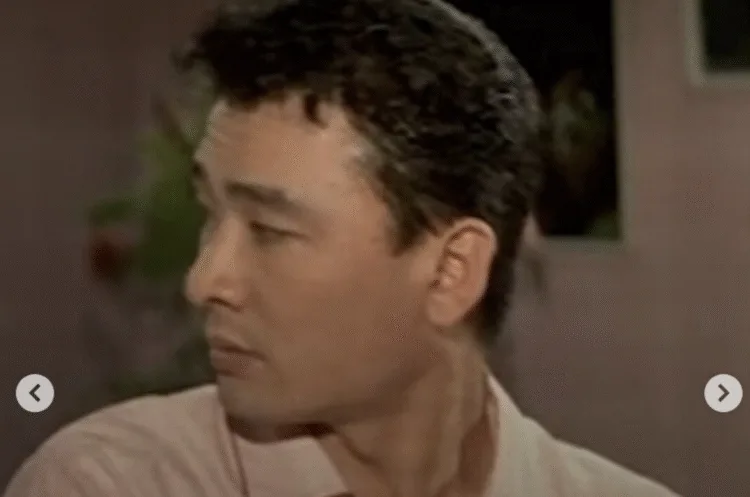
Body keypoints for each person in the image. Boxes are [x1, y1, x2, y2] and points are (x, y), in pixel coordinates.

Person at [4, 1, 680, 496]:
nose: (205, 279)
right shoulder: (116, 482)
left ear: (450, 271)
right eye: (212, 214)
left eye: (271, 231)